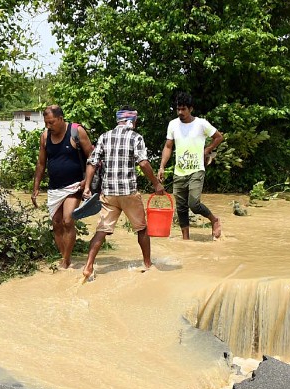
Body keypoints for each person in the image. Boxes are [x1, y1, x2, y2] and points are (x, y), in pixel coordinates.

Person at [81, 108, 167, 281]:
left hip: (109, 193)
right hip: (128, 193)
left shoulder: (105, 136)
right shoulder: (136, 137)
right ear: (132, 121)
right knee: (142, 229)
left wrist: (87, 187)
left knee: (102, 230)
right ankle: (148, 265)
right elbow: (143, 164)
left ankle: (88, 266)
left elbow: (92, 161)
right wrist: (157, 184)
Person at [30, 105, 93, 268]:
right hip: (54, 187)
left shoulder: (76, 131)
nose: (48, 126)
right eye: (46, 123)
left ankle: (65, 260)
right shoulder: (45, 136)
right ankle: (65, 257)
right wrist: (36, 187)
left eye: (51, 122)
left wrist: (87, 180)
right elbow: (41, 163)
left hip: (74, 186)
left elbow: (92, 157)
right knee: (57, 223)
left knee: (67, 220)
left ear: (60, 119)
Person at [157, 93, 224, 239]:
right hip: (179, 171)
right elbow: (168, 147)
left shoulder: (201, 124)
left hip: (197, 169)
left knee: (193, 203)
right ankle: (186, 239)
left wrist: (208, 149)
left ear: (191, 109)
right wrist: (162, 166)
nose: (180, 112)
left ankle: (214, 219)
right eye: (178, 109)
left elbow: (218, 137)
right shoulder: (173, 124)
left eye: (183, 109)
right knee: (181, 207)